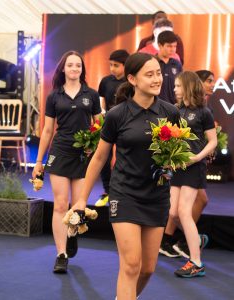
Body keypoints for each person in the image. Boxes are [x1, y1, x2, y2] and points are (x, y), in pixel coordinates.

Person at [72, 53, 180, 299]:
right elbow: (99, 158)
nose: (157, 80)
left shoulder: (171, 112)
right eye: (149, 74)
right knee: (131, 265)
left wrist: (172, 165)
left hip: (157, 196)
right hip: (125, 194)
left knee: (148, 269)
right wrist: (81, 199)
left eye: (158, 74)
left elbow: (174, 152)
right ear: (132, 78)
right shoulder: (116, 114)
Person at [32, 50, 101, 273]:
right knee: (60, 204)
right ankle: (61, 254)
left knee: (78, 205)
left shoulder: (91, 94)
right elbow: (48, 130)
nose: (74, 69)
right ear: (63, 68)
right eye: (70, 65)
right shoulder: (54, 96)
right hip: (60, 151)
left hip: (83, 154)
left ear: (82, 70)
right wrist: (38, 161)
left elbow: (100, 126)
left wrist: (95, 146)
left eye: (78, 66)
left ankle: (72, 232)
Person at [160, 70, 215, 259]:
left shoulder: (204, 112)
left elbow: (213, 142)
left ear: (187, 87)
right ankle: (196, 239)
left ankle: (195, 261)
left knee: (183, 212)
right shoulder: (176, 111)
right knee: (174, 213)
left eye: (177, 86)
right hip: (178, 167)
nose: (174, 89)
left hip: (194, 167)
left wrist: (198, 157)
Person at [95, 49, 129, 207]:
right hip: (109, 123)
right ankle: (108, 191)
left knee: (125, 159)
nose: (112, 69)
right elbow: (103, 103)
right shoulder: (106, 81)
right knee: (103, 157)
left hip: (128, 124)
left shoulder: (131, 82)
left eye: (116, 65)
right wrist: (103, 118)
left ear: (125, 65)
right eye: (110, 65)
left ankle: (124, 192)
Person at [157, 31, 182, 104]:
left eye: (175, 46)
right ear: (160, 45)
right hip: (155, 108)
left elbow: (181, 86)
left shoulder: (177, 64)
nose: (173, 49)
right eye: (169, 46)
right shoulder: (152, 63)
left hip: (173, 107)